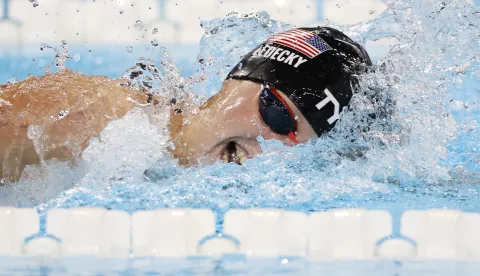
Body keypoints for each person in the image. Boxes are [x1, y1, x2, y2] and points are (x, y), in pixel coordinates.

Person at [0, 26, 372, 183]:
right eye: (276, 115)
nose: (268, 146)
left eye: (294, 146)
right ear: (237, 81)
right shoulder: (101, 113)